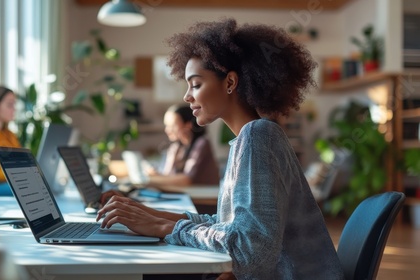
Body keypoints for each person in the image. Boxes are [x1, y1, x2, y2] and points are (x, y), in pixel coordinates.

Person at [97, 18, 345, 280]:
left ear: (229, 83)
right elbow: (230, 226)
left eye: (196, 84)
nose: (187, 96)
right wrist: (144, 213)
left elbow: (251, 253)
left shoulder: (258, 135)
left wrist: (162, 226)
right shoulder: (249, 138)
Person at [147, 104, 220, 186]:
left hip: (205, 195)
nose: (167, 130)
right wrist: (155, 175)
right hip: (189, 193)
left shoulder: (202, 143)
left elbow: (187, 180)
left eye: (172, 126)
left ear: (188, 125)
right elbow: (168, 175)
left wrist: (148, 180)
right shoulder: (176, 147)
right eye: (166, 125)